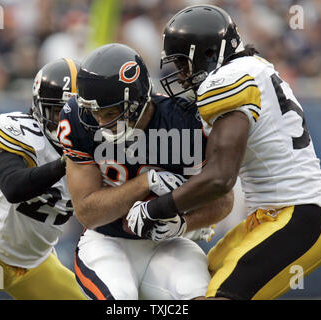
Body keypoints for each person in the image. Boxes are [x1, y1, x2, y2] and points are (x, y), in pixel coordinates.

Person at [126, 5, 321, 300]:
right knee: (201, 279)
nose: (182, 76)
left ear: (210, 54)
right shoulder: (254, 67)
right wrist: (185, 219)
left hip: (297, 218)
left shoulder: (227, 80)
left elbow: (220, 178)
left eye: (183, 65)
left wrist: (157, 208)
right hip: (276, 216)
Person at [58, 43, 234, 300]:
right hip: (107, 240)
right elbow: (87, 213)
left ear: (138, 100)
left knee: (195, 294)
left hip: (169, 244)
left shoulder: (183, 122)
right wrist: (145, 183)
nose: (99, 122)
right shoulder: (76, 119)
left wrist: (183, 224)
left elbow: (224, 200)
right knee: (118, 300)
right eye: (93, 112)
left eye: (109, 112)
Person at [0, 58, 86, 300]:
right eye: (59, 111)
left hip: (35, 264)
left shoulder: (99, 146)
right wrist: (65, 163)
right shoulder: (20, 130)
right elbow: (14, 187)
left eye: (77, 112)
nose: (67, 121)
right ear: (39, 107)